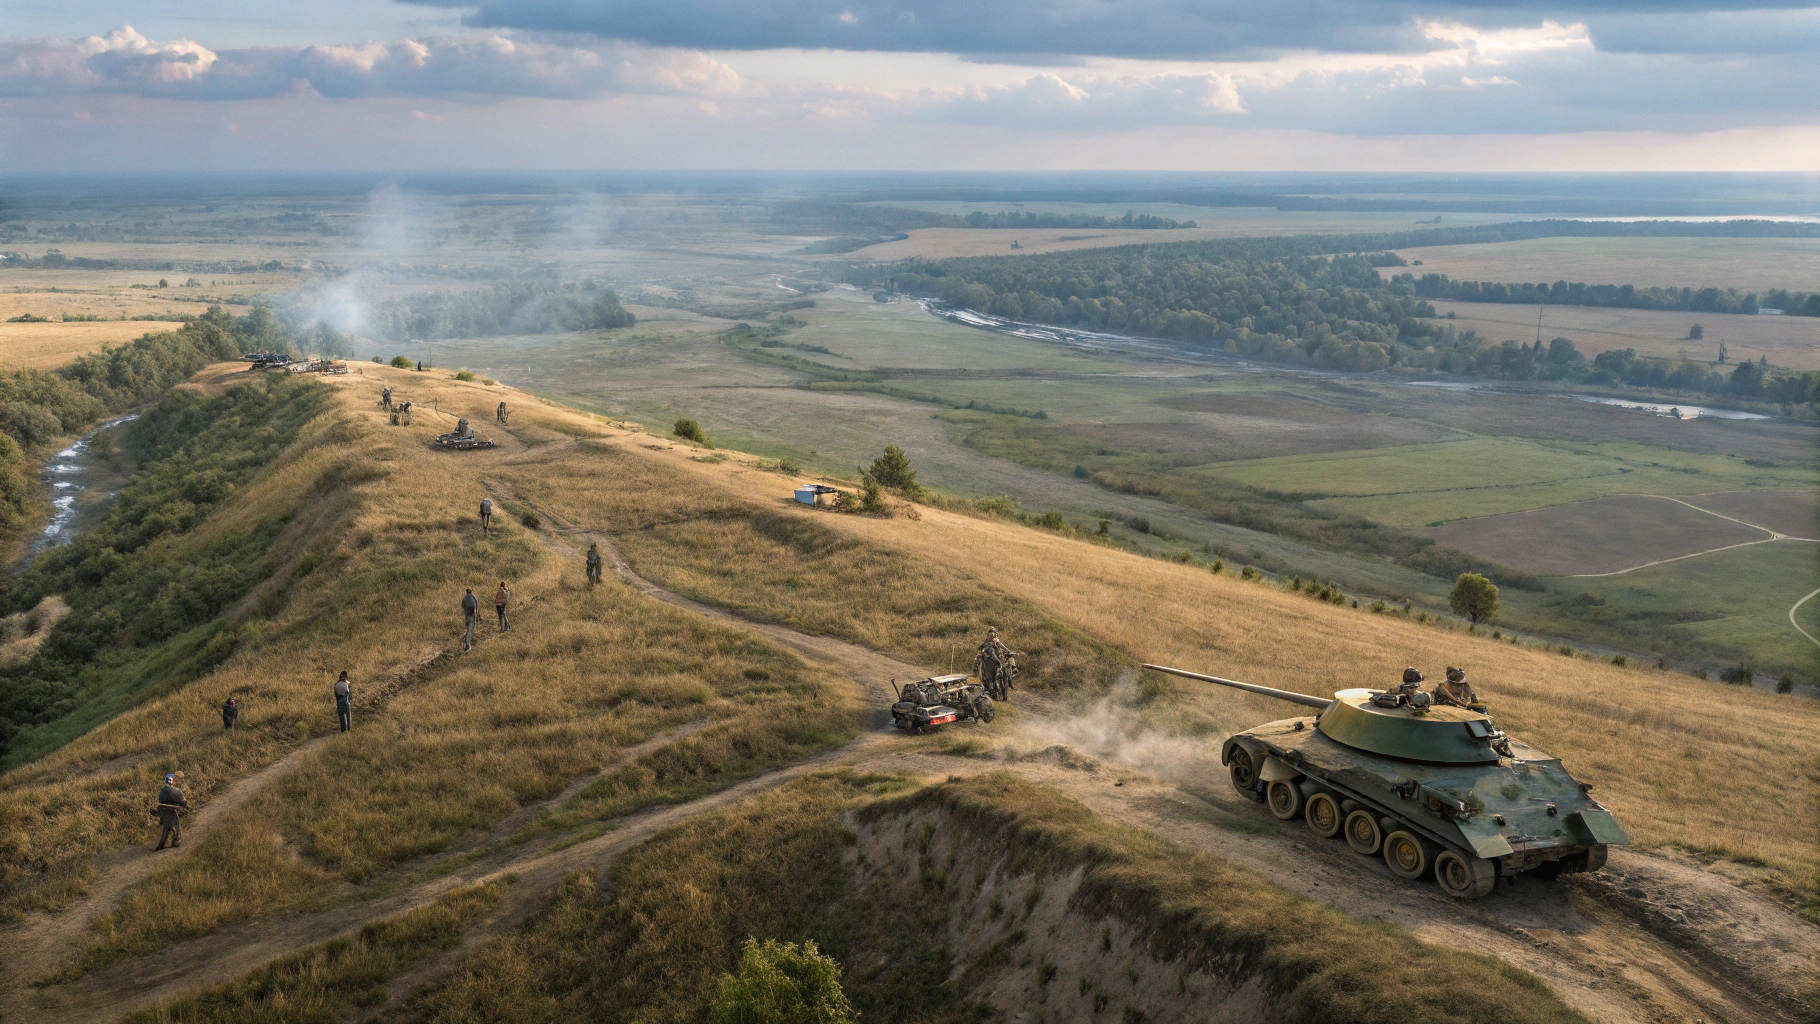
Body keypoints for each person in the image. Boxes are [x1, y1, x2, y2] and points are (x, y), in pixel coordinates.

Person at [153, 772, 188, 850]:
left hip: (163, 813)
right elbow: (184, 804)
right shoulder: (178, 791)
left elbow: (160, 802)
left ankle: (160, 847)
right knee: (176, 829)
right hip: (172, 813)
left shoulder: (162, 791)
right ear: (173, 781)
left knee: (165, 830)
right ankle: (175, 844)